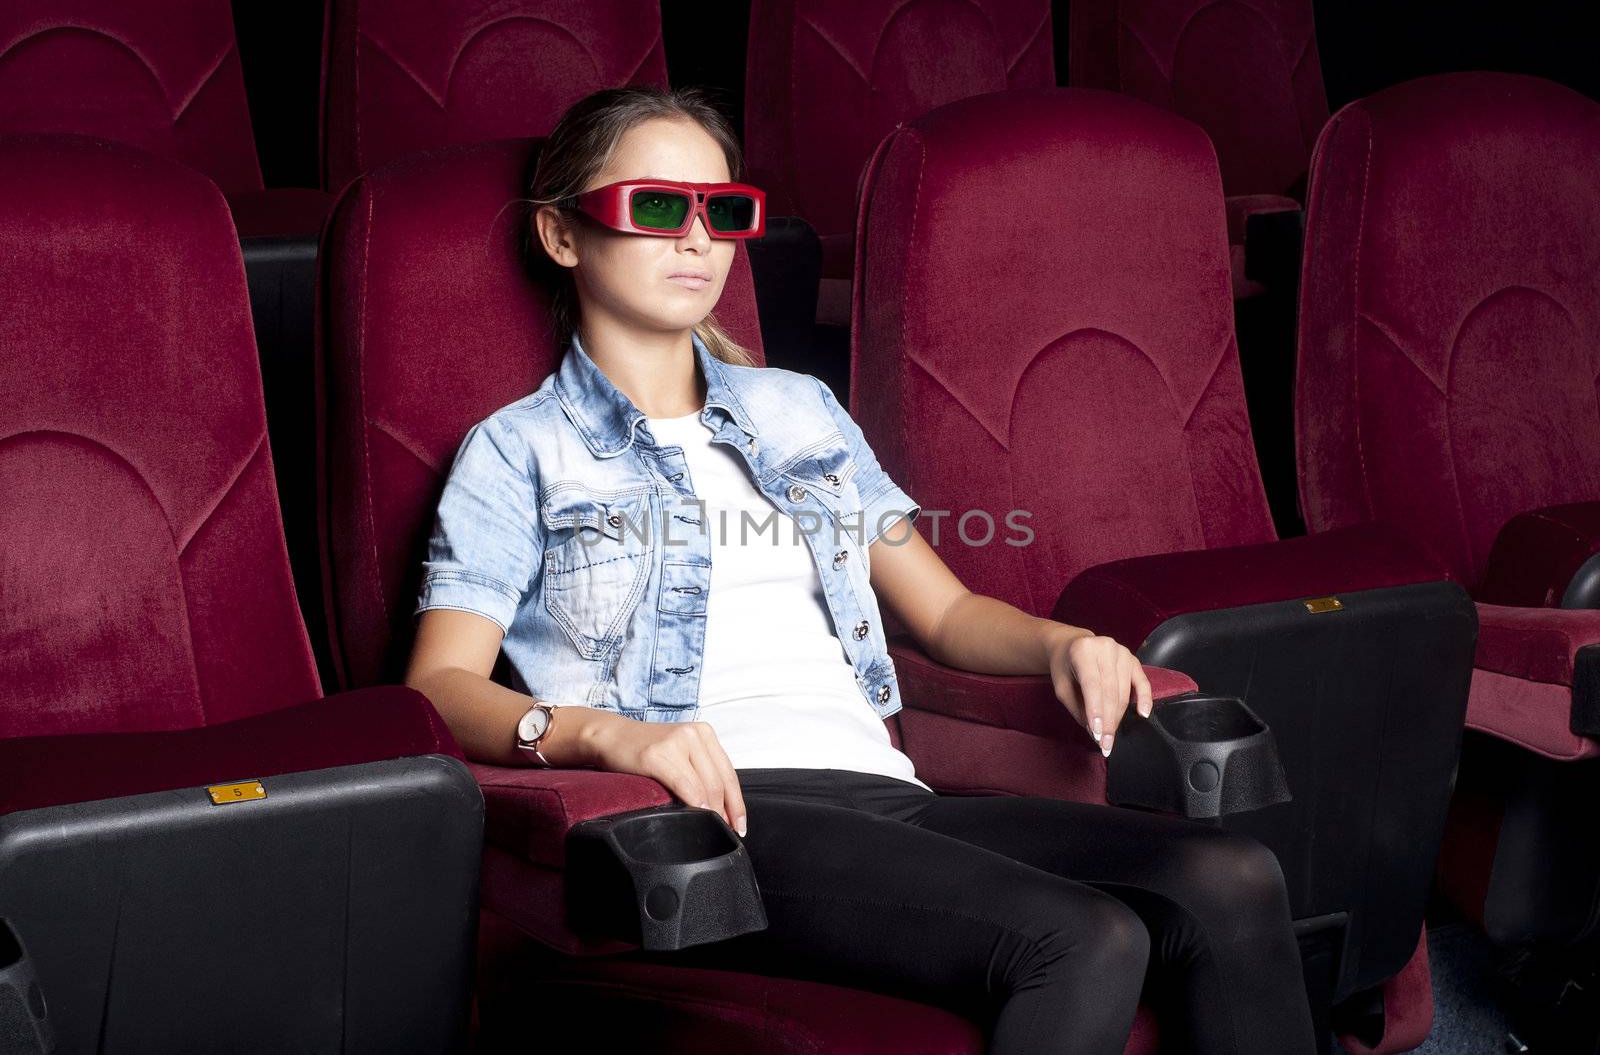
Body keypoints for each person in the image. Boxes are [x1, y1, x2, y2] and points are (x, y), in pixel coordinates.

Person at [405, 85, 1317, 1055]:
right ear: (560, 234)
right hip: (715, 819)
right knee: (1083, 938)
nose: (697, 240)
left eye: (723, 211)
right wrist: (604, 735)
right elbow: (438, 685)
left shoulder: (796, 411)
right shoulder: (517, 452)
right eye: (658, 206)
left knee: (1232, 876)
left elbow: (947, 611)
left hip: (879, 788)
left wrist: (1066, 643)